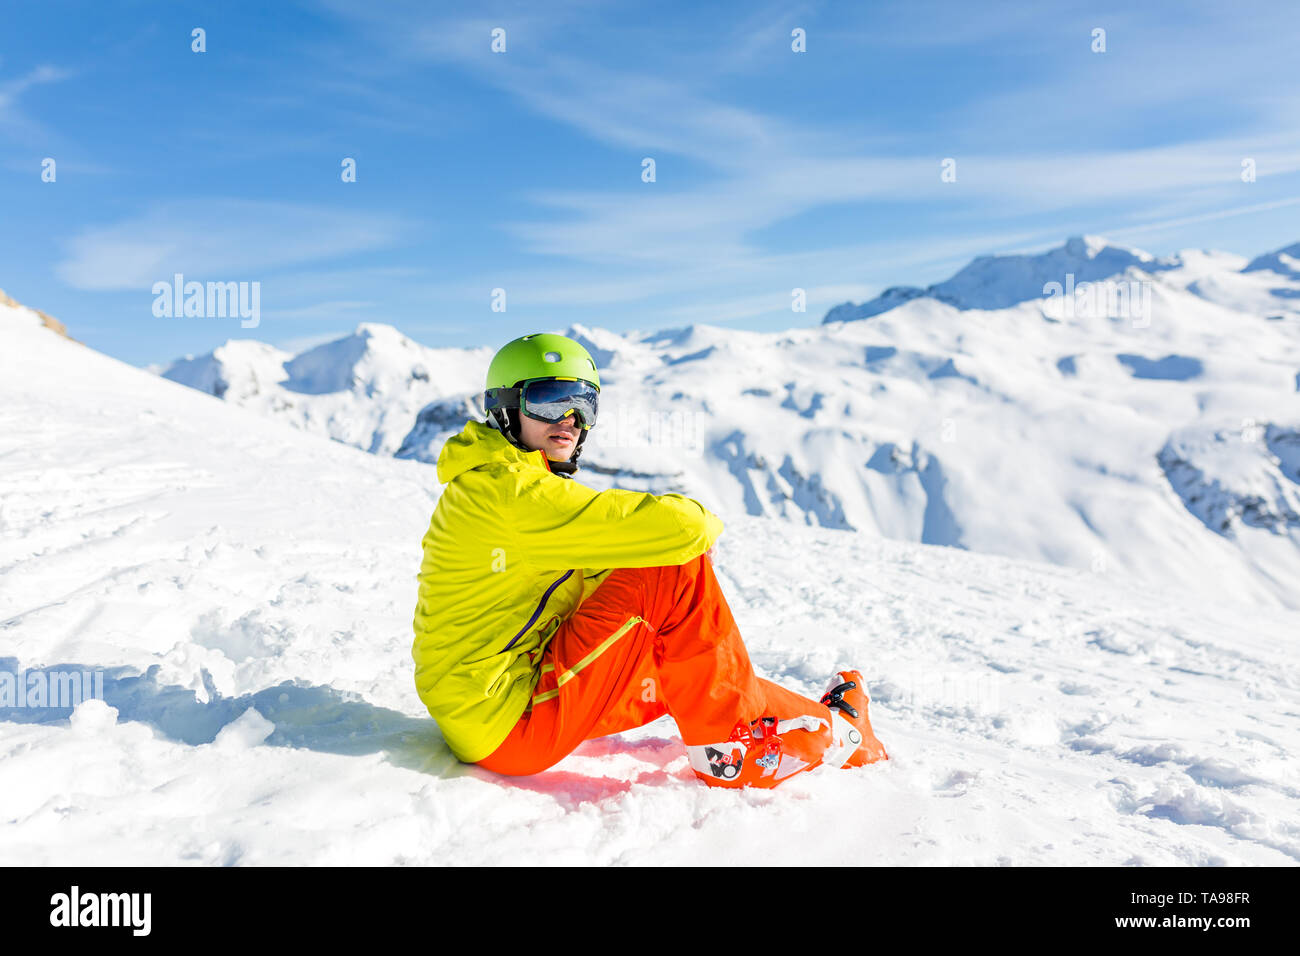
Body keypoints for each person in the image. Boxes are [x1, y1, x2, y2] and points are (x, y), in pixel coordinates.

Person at [412, 331, 888, 788]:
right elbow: (685, 529)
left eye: (584, 403)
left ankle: (839, 731)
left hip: (487, 712)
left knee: (695, 674)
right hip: (509, 725)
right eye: (550, 399)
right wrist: (686, 546)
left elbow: (600, 565)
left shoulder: (497, 484)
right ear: (507, 407)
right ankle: (733, 753)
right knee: (670, 569)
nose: (570, 418)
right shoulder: (512, 495)